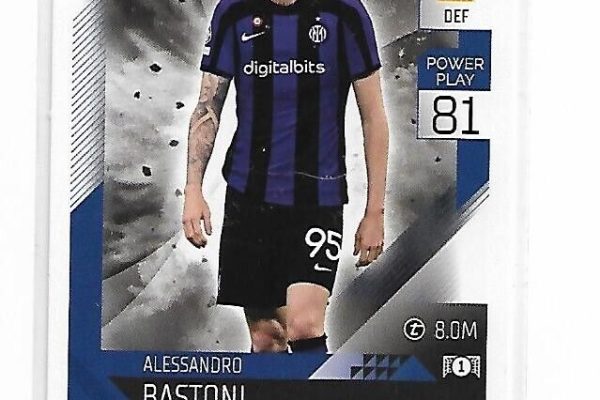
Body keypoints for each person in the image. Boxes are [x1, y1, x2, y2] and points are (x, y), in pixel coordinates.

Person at [183, 0, 389, 354]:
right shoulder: (233, 11)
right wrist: (193, 188)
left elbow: (373, 117)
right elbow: (208, 106)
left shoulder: (345, 12)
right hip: (249, 196)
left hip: (317, 197)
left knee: (304, 326)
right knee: (266, 338)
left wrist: (374, 212)